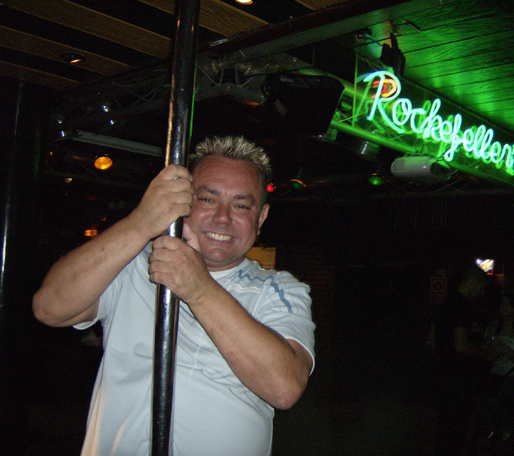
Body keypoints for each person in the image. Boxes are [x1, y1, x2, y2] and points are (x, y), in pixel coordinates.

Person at [32, 136, 316, 456]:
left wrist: (199, 288)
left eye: (241, 205)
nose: (223, 217)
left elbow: (284, 388)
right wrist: (142, 223)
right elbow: (49, 308)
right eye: (207, 199)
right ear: (182, 201)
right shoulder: (132, 264)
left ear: (260, 218)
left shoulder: (278, 289)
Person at [428, 265, 489, 456]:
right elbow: (461, 346)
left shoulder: (444, 303)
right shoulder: (462, 306)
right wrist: (482, 352)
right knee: (456, 427)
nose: (481, 293)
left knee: (443, 426)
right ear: (473, 282)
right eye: (481, 288)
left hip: (440, 373)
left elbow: (432, 339)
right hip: (456, 377)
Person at [479, 293, 514, 440]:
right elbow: (487, 355)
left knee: (501, 392)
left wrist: (503, 347)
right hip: (496, 374)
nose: (504, 307)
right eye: (502, 304)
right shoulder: (494, 327)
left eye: (508, 304)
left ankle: (505, 428)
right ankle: (489, 426)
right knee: (479, 389)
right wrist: (491, 344)